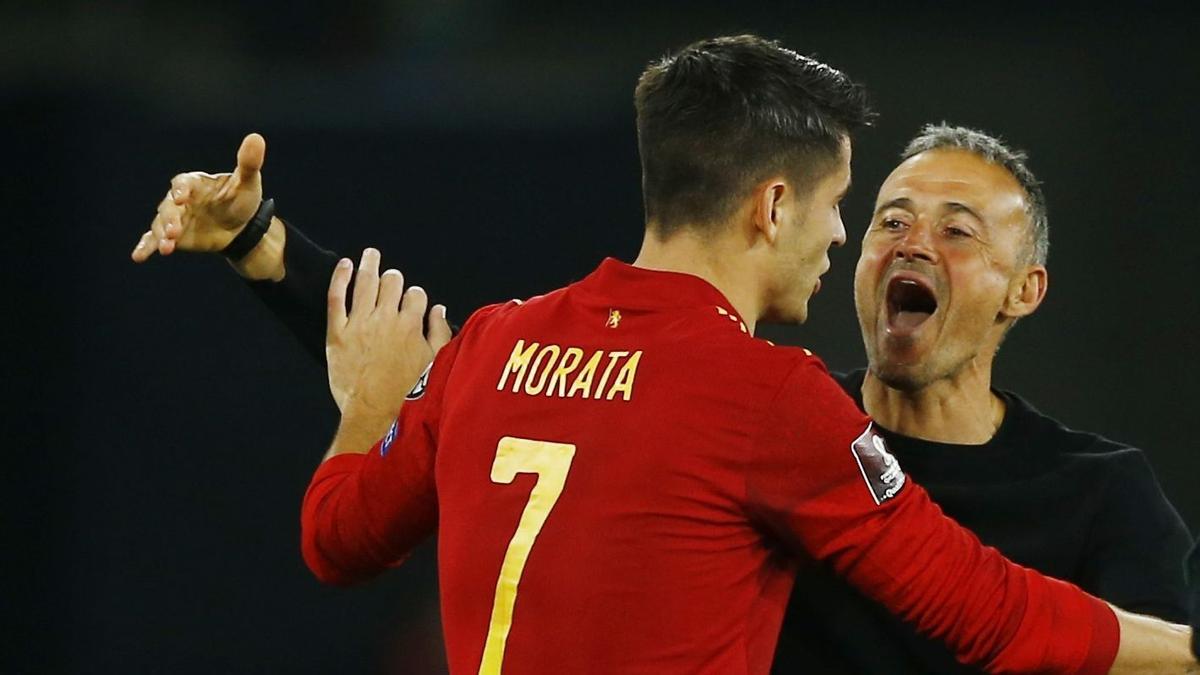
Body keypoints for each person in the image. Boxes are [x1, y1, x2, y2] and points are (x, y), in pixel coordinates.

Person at [131, 35, 1196, 673]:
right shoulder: (771, 400)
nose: (843, 237)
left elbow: (337, 538)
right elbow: (989, 614)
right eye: (846, 207)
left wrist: (356, 393)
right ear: (775, 204)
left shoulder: (501, 344)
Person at [772, 124, 1193, 673]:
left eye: (957, 232)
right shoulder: (785, 429)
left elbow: (1173, 658)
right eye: (893, 222)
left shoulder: (1101, 494)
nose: (913, 244)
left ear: (1024, 290)